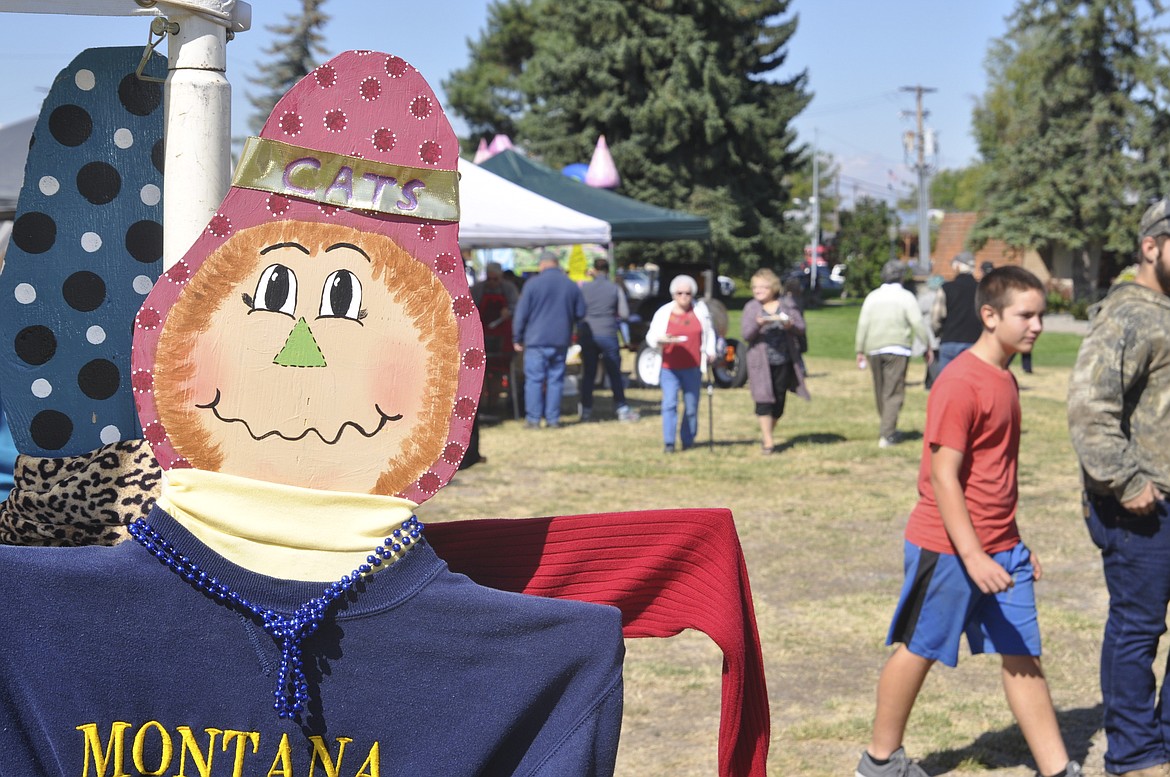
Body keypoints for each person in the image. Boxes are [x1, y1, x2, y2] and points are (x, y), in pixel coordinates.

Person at [857, 266, 1080, 777]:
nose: (1037, 326)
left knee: (1022, 652)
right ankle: (879, 762)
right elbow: (944, 477)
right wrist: (974, 554)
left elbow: (994, 477)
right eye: (1026, 315)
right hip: (949, 548)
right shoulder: (959, 382)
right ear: (989, 315)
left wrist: (1014, 541)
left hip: (1002, 548)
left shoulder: (1005, 379)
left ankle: (1058, 769)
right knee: (921, 649)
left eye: (1041, 315)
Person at [1068, 196, 1170, 777]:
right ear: (1150, 246)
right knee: (1139, 627)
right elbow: (1089, 410)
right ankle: (1134, 752)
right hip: (1142, 505)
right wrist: (1127, 481)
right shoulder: (1128, 314)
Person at [854, 260, 932, 448]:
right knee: (893, 392)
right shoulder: (906, 297)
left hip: (874, 348)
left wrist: (859, 349)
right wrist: (927, 344)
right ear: (901, 277)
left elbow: (863, 323)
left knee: (881, 390)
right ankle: (887, 433)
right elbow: (917, 322)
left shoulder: (873, 296)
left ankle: (887, 427)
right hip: (897, 348)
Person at [512, 251, 586, 429]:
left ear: (542, 265)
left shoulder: (532, 284)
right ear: (556, 264)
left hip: (536, 340)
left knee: (535, 380)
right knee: (555, 380)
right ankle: (553, 419)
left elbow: (521, 314)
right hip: (560, 339)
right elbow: (581, 313)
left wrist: (517, 337)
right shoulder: (570, 285)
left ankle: (533, 419)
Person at [646, 275, 717, 453]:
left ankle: (688, 438)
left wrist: (710, 351)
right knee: (669, 403)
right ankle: (669, 442)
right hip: (668, 367)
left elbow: (709, 333)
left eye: (688, 293)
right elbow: (651, 336)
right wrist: (660, 340)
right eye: (680, 293)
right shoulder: (663, 312)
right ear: (673, 294)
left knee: (691, 405)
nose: (684, 296)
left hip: (692, 366)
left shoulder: (701, 311)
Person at [741, 268, 809, 454]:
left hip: (783, 360)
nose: (758, 290)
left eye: (762, 287)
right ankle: (768, 442)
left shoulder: (786, 305)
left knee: (779, 403)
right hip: (760, 363)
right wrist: (758, 324)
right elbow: (746, 334)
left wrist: (790, 324)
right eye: (755, 287)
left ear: (773, 287)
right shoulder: (751, 308)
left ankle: (767, 432)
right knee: (763, 400)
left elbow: (801, 327)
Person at [579, 258, 639, 423]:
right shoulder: (614, 288)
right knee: (614, 372)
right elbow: (625, 313)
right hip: (608, 334)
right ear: (607, 270)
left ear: (594, 270)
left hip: (588, 334)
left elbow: (579, 311)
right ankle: (620, 407)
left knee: (589, 373)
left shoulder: (585, 288)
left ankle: (586, 410)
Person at [471, 261, 520, 412]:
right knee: (481, 372)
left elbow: (516, 307)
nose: (492, 282)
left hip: (502, 336)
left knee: (499, 370)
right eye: (489, 279)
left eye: (495, 279)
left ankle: (494, 404)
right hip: (482, 334)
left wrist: (508, 312)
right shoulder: (478, 289)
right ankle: (482, 405)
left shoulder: (509, 289)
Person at [931, 251, 981, 373]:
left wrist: (938, 332)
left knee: (948, 382)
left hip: (950, 340)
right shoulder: (981, 289)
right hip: (974, 342)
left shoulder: (946, 288)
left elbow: (936, 317)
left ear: (957, 266)